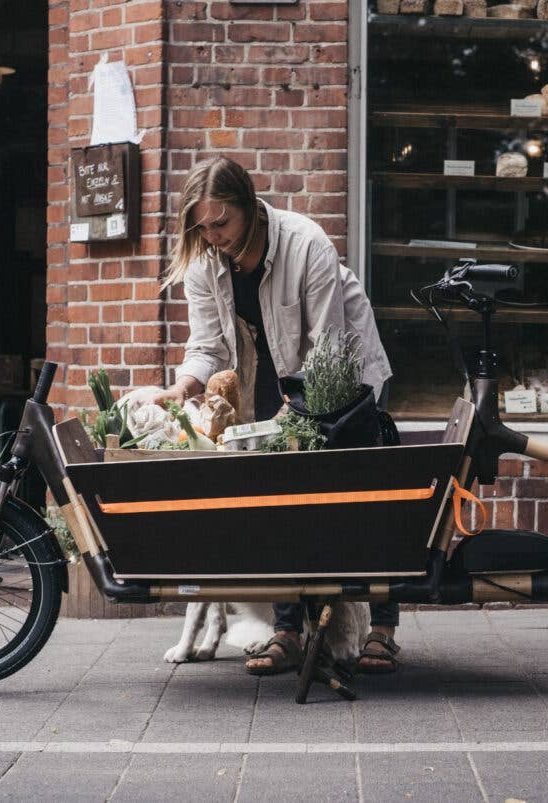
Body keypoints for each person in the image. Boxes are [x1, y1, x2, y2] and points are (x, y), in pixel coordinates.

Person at [156, 156, 401, 675]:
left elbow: (329, 345)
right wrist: (181, 387)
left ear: (248, 207)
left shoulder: (306, 243)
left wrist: (296, 414)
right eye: (201, 226)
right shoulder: (204, 262)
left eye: (220, 222)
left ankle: (384, 628)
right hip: (267, 368)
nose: (212, 235)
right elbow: (206, 346)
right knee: (279, 497)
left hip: (345, 373)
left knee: (368, 496)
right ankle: (288, 632)